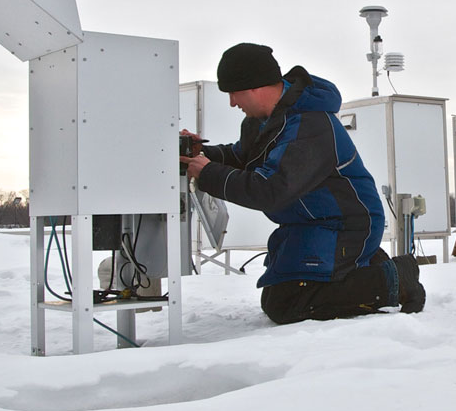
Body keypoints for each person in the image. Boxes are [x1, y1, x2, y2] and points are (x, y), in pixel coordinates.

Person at [179, 42, 425, 323]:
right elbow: (243, 156)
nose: (233, 102)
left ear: (255, 87)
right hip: (312, 221)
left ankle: (394, 281)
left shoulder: (309, 125)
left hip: (345, 224)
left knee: (286, 305)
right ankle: (364, 265)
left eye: (234, 93)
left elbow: (270, 190)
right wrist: (202, 154)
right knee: (277, 296)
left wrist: (209, 173)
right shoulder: (263, 121)